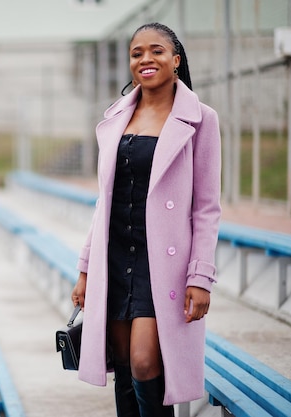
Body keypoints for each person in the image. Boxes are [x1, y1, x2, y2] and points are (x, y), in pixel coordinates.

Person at [71, 22, 221, 417]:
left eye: (156, 51)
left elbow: (206, 208)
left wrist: (200, 277)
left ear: (175, 59)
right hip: (115, 258)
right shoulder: (117, 118)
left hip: (163, 265)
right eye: (137, 53)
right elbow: (104, 201)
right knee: (123, 364)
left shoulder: (201, 120)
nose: (145, 59)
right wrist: (86, 270)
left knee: (143, 362)